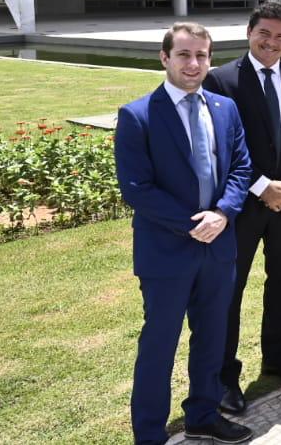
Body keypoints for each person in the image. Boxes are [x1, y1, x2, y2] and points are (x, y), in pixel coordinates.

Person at [116, 22, 253, 445]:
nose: (194, 64)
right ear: (164, 58)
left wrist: (224, 213)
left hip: (218, 248)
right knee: (159, 345)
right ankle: (150, 434)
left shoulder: (224, 108)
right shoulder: (137, 115)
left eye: (202, 56)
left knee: (212, 337)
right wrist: (196, 223)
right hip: (167, 252)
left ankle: (203, 415)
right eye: (184, 55)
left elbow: (241, 168)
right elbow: (136, 188)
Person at [204, 0, 281, 412]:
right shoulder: (219, 82)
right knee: (229, 291)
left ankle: (279, 357)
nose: (271, 42)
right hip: (240, 205)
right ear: (249, 32)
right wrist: (261, 186)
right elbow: (221, 145)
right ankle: (223, 376)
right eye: (264, 33)